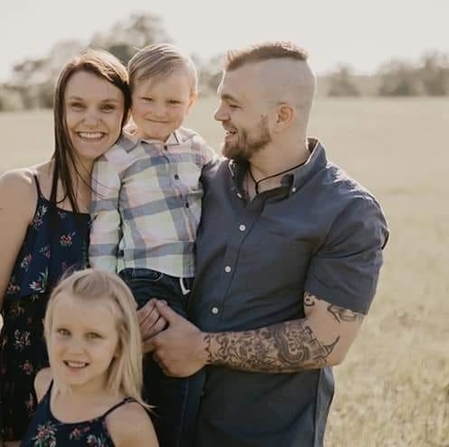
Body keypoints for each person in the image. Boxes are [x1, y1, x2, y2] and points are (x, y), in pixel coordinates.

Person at [142, 41, 390, 447]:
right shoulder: (201, 181)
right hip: (170, 427)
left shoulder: (348, 211)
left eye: (233, 104)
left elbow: (325, 340)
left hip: (268, 434)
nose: (219, 114)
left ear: (281, 116)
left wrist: (202, 349)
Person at [0, 50, 131, 447]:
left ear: (126, 114)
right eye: (78, 106)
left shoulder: (136, 201)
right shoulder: (21, 190)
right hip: (25, 406)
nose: (92, 119)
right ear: (60, 111)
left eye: (107, 107)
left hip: (114, 407)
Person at [88, 43, 216, 446]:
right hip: (147, 283)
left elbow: (224, 189)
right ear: (130, 99)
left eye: (173, 101)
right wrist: (109, 299)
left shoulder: (196, 147)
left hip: (197, 282)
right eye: (148, 99)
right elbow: (104, 231)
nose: (160, 111)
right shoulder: (116, 158)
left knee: (192, 377)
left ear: (191, 101)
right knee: (176, 379)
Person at [19, 268, 158, 447]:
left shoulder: (128, 423)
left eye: (93, 336)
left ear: (120, 344)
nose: (75, 349)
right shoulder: (45, 385)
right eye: (64, 332)